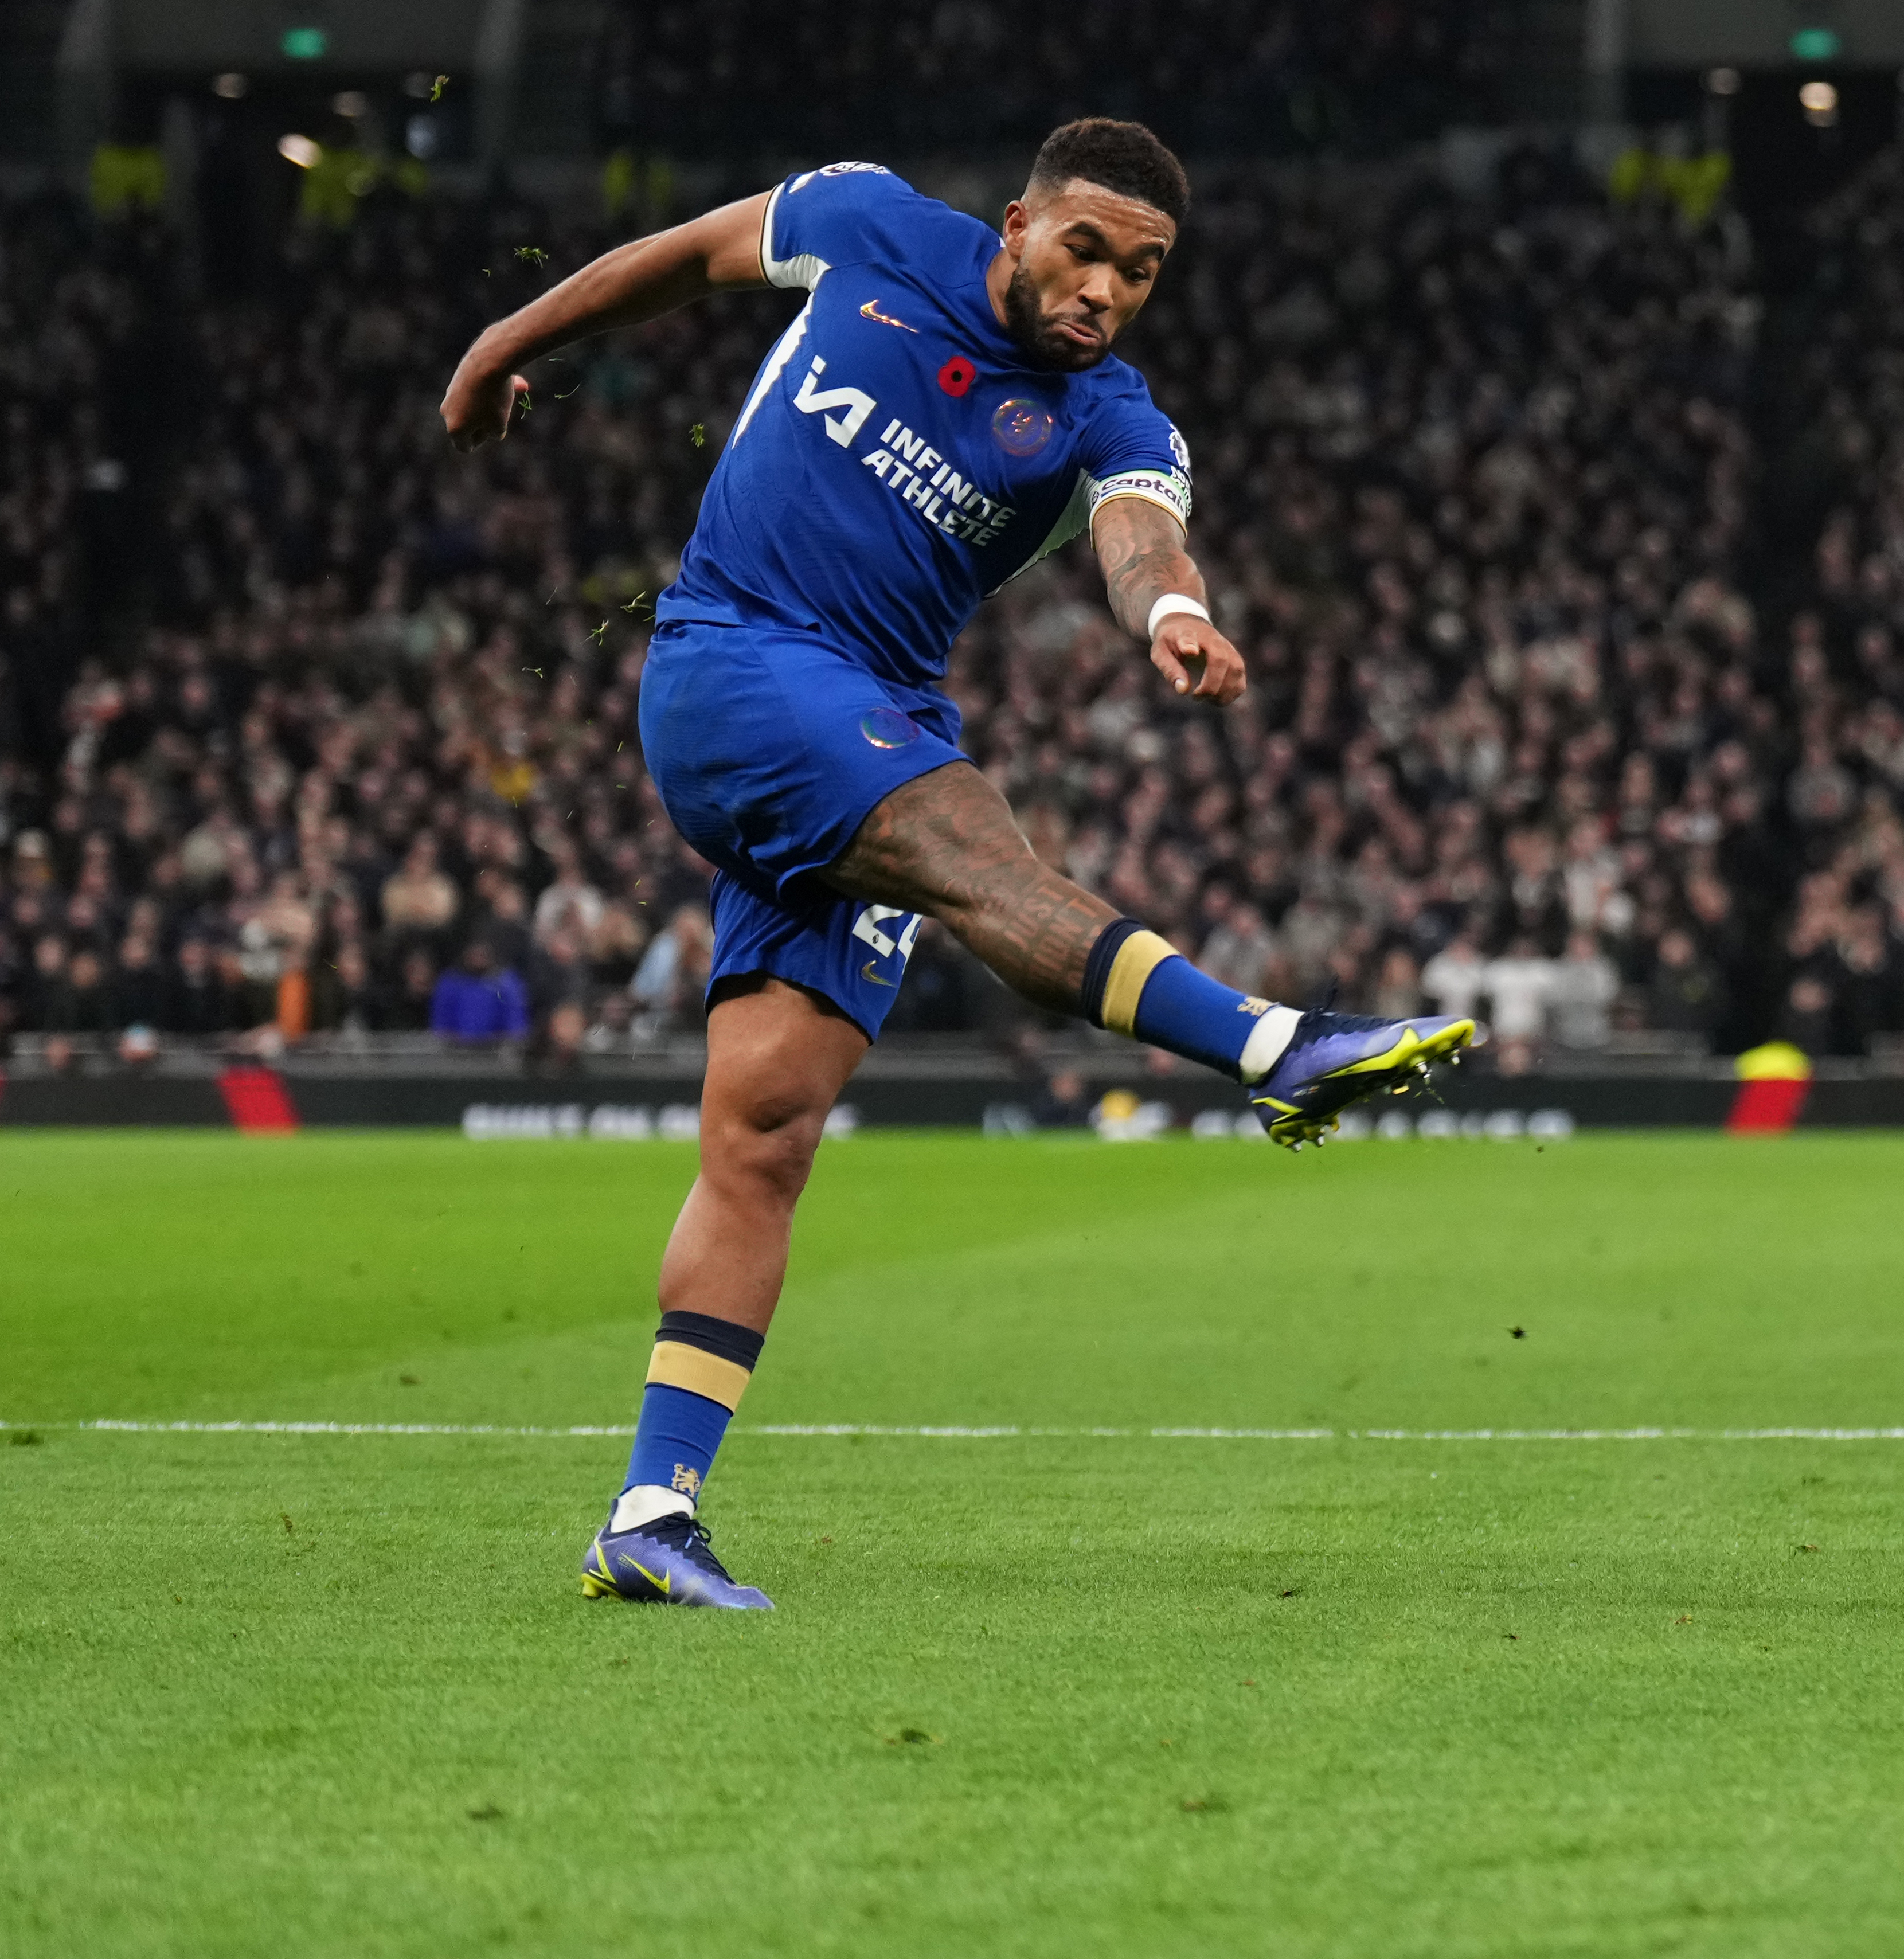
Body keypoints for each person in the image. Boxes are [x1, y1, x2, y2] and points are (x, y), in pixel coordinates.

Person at [439, 119, 1477, 1610]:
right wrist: (502, 341)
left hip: (871, 714)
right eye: (1085, 250)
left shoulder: (1118, 422)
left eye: (1142, 272)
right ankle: (1275, 1044)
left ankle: (650, 1511)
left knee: (766, 1128)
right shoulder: (863, 223)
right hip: (735, 664)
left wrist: (1168, 616)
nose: (1106, 290)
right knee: (973, 844)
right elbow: (677, 259)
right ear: (1014, 226)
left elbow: (1140, 543)